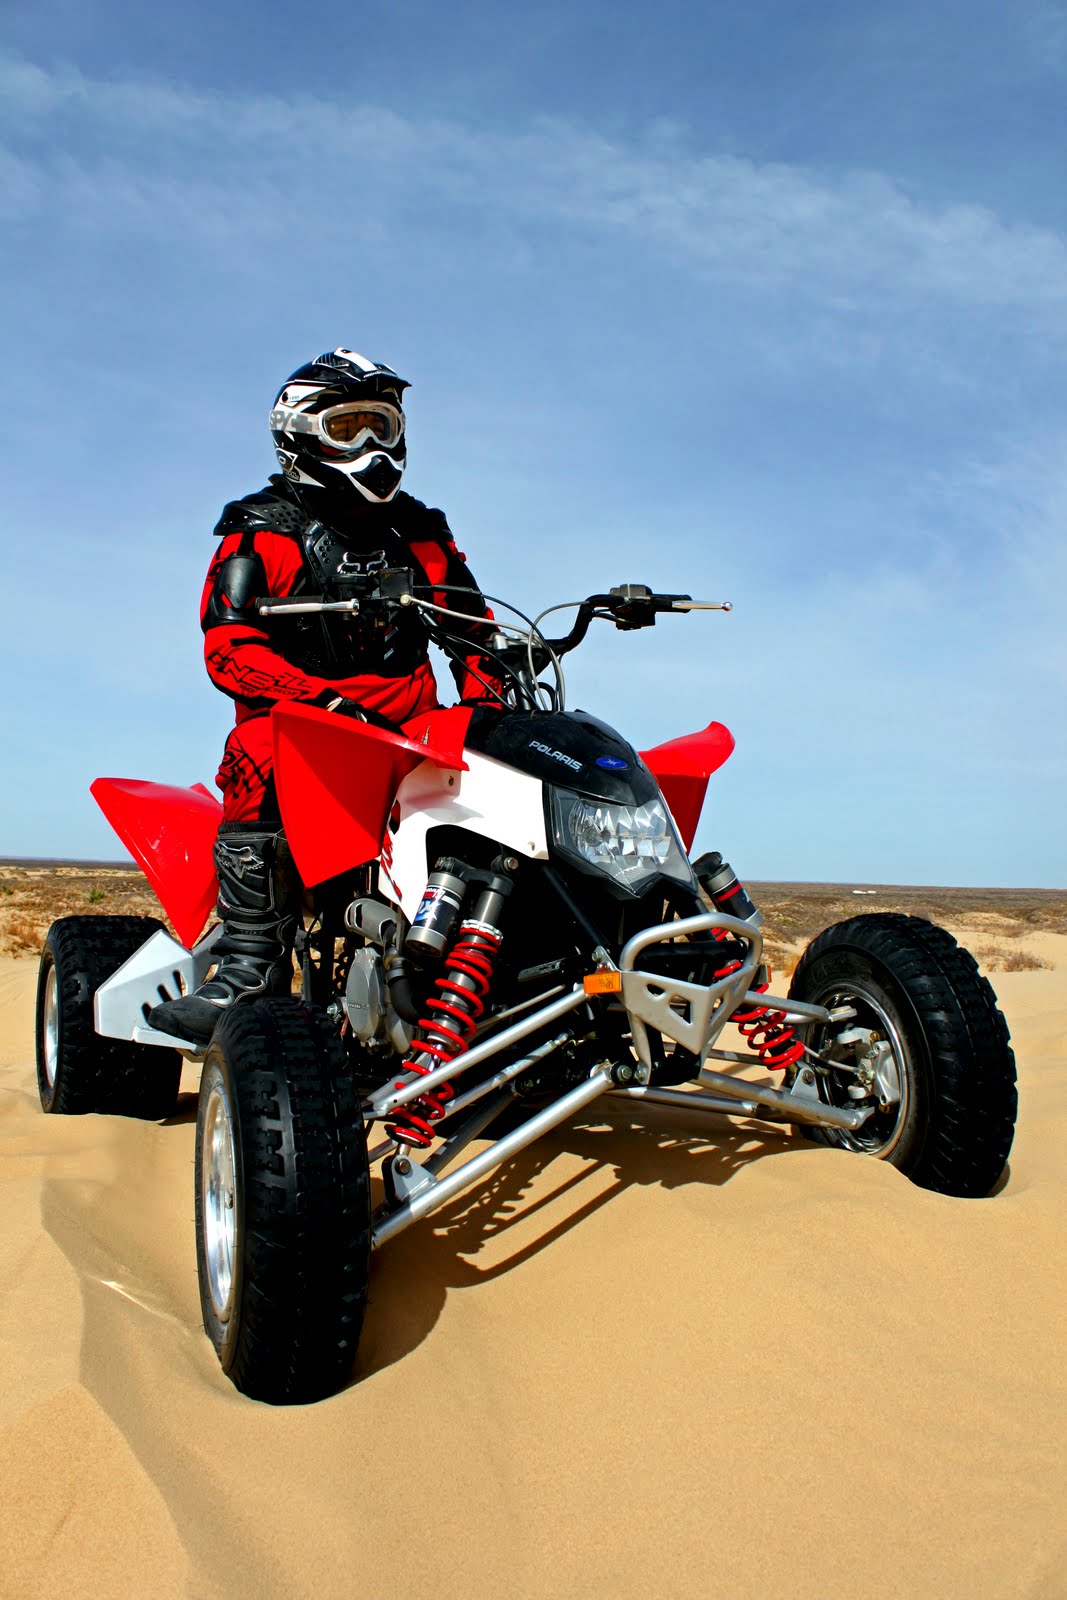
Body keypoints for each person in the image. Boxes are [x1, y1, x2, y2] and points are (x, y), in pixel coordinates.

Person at [149, 348, 500, 1044]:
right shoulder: (262, 527)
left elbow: (473, 632)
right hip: (305, 727)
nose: (371, 447)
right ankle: (250, 961)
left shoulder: (420, 531)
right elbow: (229, 644)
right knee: (255, 752)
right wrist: (319, 704)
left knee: (513, 768)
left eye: (382, 426)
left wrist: (489, 705)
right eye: (348, 428)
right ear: (300, 434)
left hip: (415, 723)